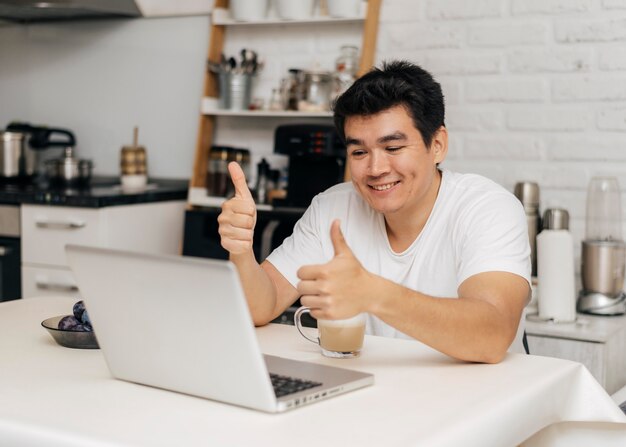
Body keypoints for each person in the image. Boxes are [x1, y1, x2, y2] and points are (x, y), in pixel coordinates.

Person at [217, 60, 531, 364]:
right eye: (359, 152)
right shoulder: (332, 207)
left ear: (437, 144)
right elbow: (261, 306)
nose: (376, 168)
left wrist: (373, 294)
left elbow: (492, 337)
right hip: (378, 396)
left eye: (392, 148)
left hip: (480, 400)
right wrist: (240, 249)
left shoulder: (487, 208)